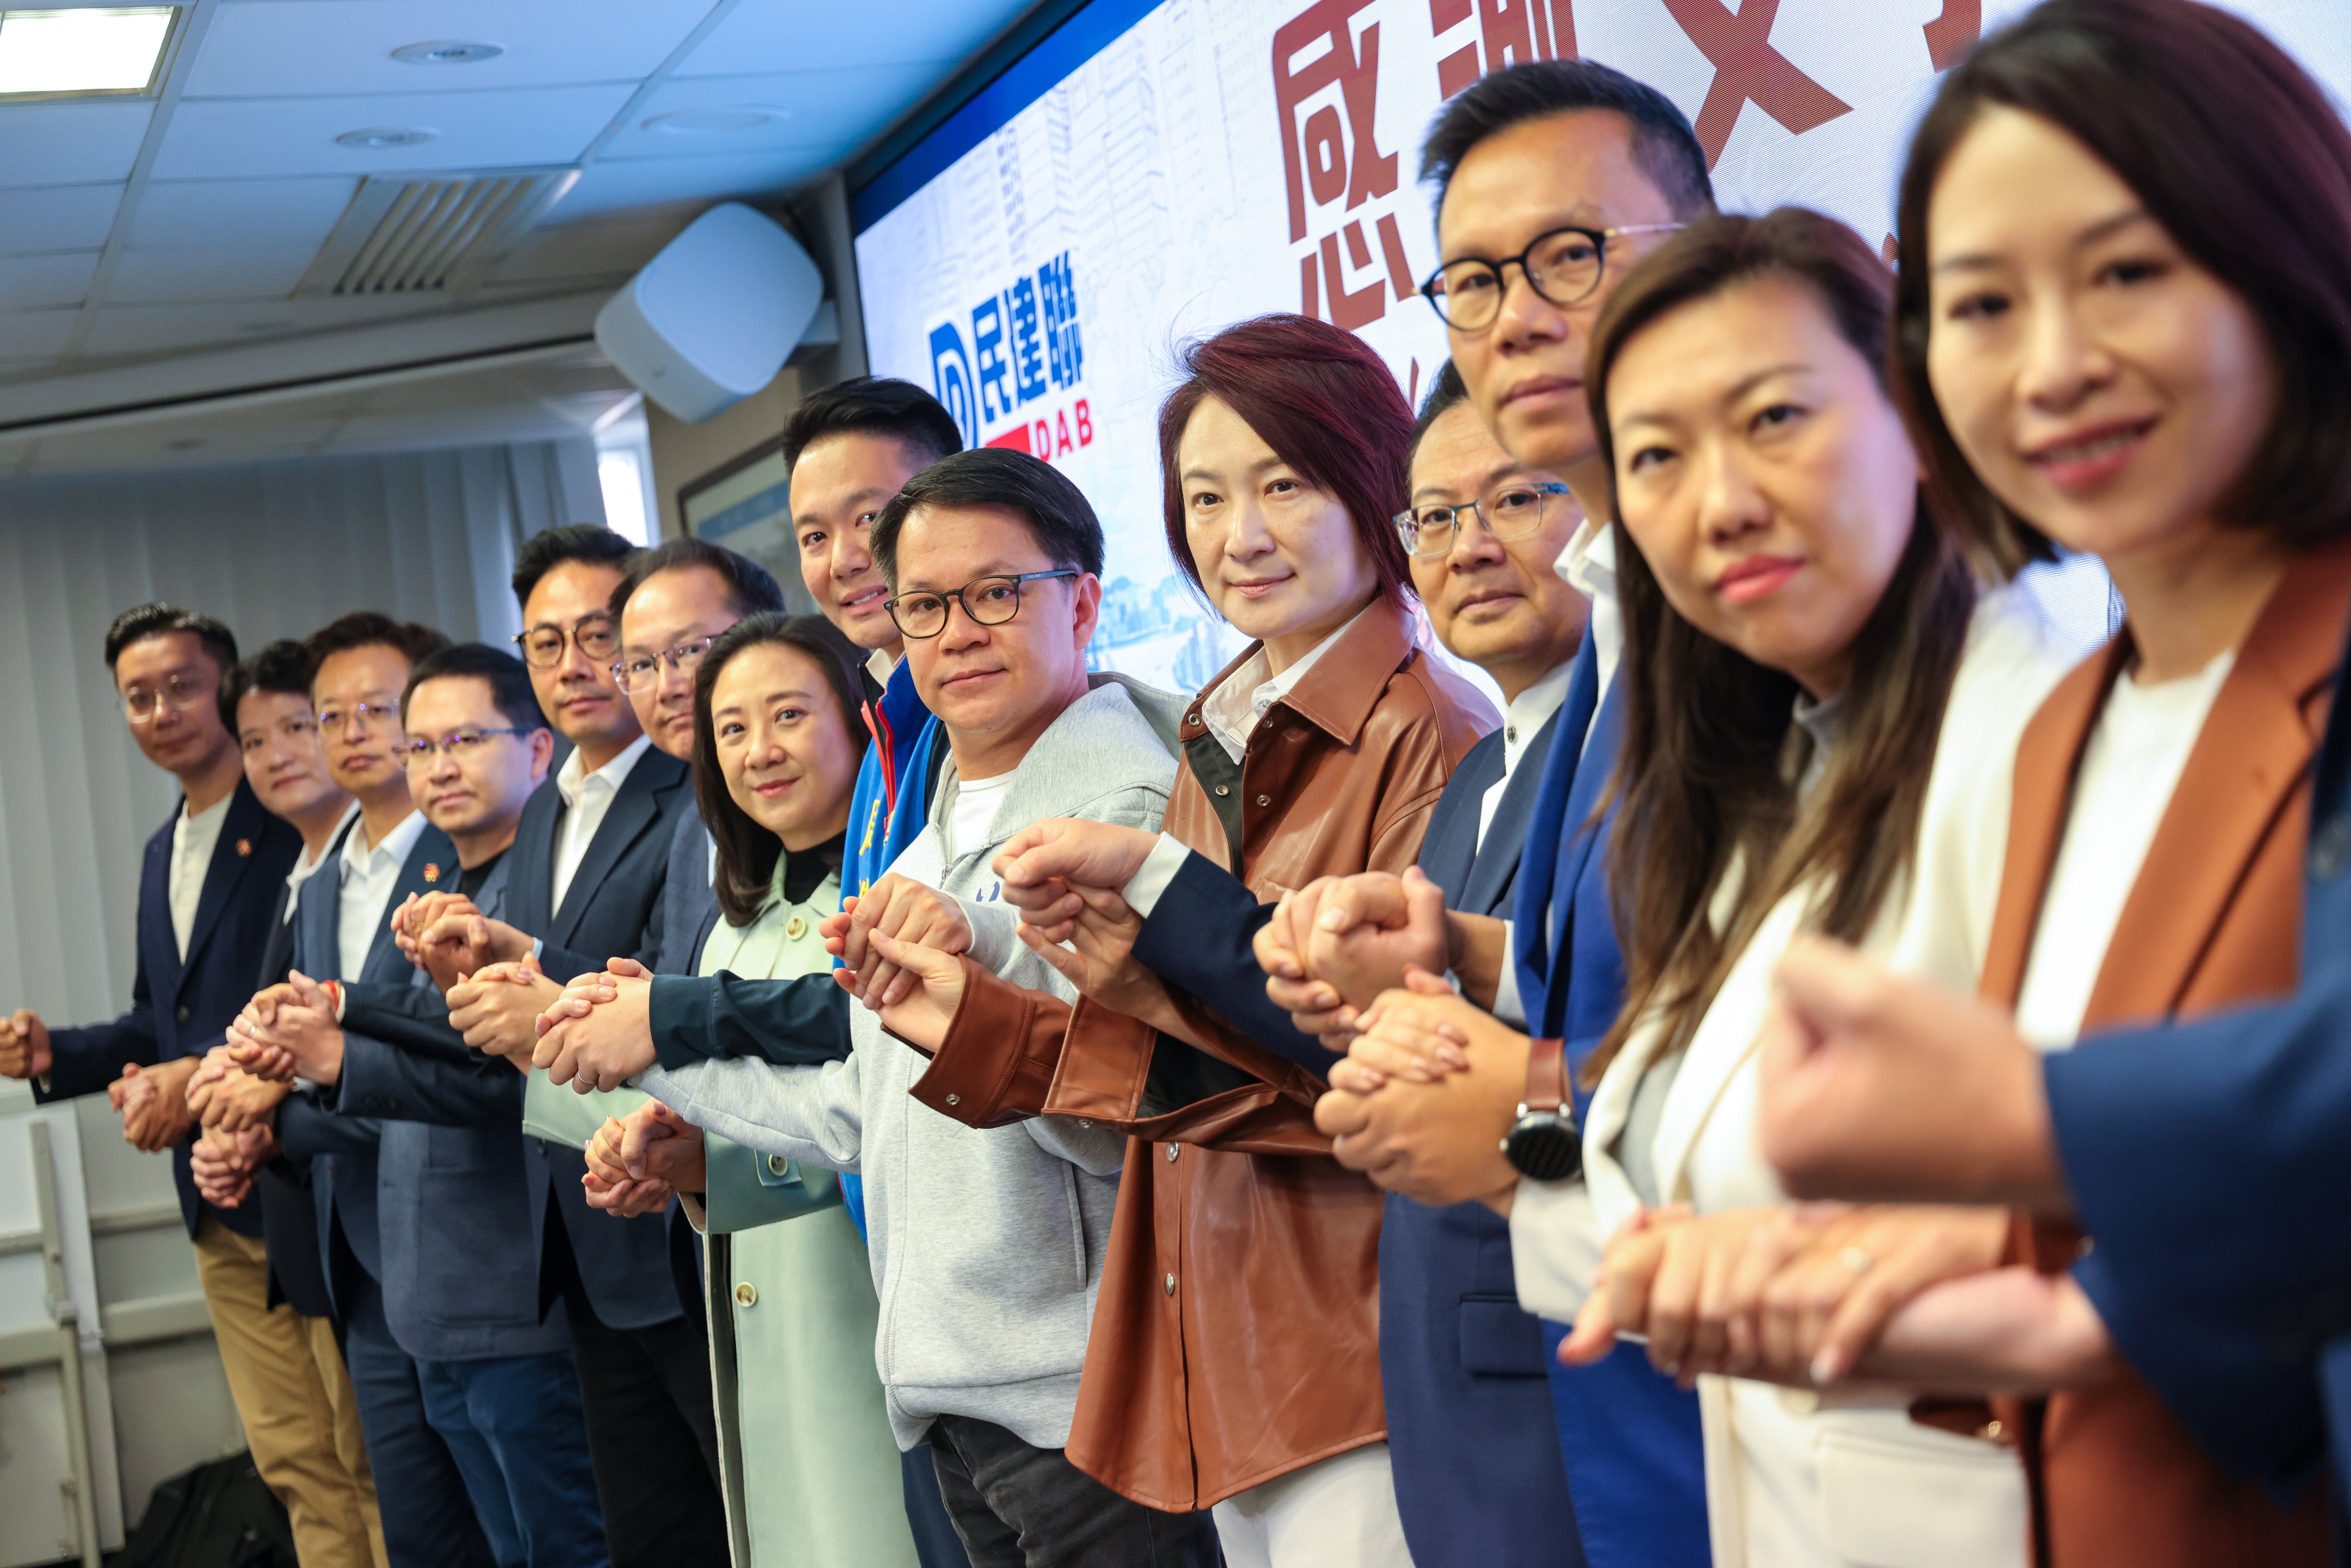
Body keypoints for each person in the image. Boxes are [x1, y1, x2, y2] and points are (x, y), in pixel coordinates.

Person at [1735, 3, 2351, 1561]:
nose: (2058, 365)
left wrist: (2025, 1122)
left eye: (2130, 271)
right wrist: (2045, 1298)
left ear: (2286, 254)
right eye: (1983, 303)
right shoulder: (2070, 712)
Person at [855, 315, 1491, 1568]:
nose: (1237, 535)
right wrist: (1002, 1012)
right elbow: (1203, 1068)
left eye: (1282, 484)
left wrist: (1134, 923)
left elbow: (1367, 1079)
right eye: (1204, 496)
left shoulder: (1426, 727)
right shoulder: (1226, 720)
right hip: (1233, 1343)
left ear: (1376, 485)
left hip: (1354, 1338)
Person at [543, 449, 1219, 1567]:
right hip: (965, 1390)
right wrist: (653, 1052)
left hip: (1090, 1400)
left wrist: (660, 1032)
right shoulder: (930, 814)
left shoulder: (1125, 804)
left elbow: (1122, 1117)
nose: (954, 632)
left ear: (1085, 599)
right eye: (922, 605)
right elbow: (868, 1106)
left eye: (995, 593)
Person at [1252, 60, 1722, 1566]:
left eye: (1571, 255)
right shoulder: (1615, 639)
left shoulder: (1739, 620)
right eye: (1469, 278)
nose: (1513, 313)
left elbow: (1815, 1052)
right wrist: (1462, 947)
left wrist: (1524, 1095)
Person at [239, 642, 611, 1568]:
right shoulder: (429, 891)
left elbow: (512, 1081)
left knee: (568, 1547)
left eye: (465, 739)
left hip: (520, 1293)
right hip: (427, 1294)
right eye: (424, 746)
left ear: (537, 752)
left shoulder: (546, 894)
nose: (438, 766)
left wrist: (335, 1049)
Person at [395, 527, 725, 1568]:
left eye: (600, 637)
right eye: (547, 644)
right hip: (581, 1227)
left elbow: (667, 982)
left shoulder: (692, 781)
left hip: (687, 1199)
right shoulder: (548, 807)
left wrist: (537, 974)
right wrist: (500, 966)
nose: (577, 666)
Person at [581, 613, 918, 1567]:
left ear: (861, 722)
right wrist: (691, 1163)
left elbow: (886, 1118)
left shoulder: (895, 898)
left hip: (864, 1316)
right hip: (761, 1329)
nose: (758, 751)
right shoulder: (739, 915)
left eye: (787, 715)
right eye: (731, 728)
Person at [0, 607, 332, 1553]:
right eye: (137, 698)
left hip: (299, 1175)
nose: (160, 712)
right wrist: (52, 1054)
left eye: (183, 687)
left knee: (362, 1456)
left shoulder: (288, 822)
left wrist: (208, 1079)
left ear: (227, 692)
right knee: (290, 1462)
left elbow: (296, 994)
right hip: (212, 1195)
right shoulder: (165, 849)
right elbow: (164, 1018)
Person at [180, 638, 386, 1568]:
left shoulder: (372, 871)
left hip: (380, 1211)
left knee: (379, 1478)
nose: (279, 756)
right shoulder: (310, 878)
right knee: (319, 1467)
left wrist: (260, 1112)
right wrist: (234, 1115)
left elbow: (353, 1048)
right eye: (256, 741)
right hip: (306, 1206)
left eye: (301, 727)